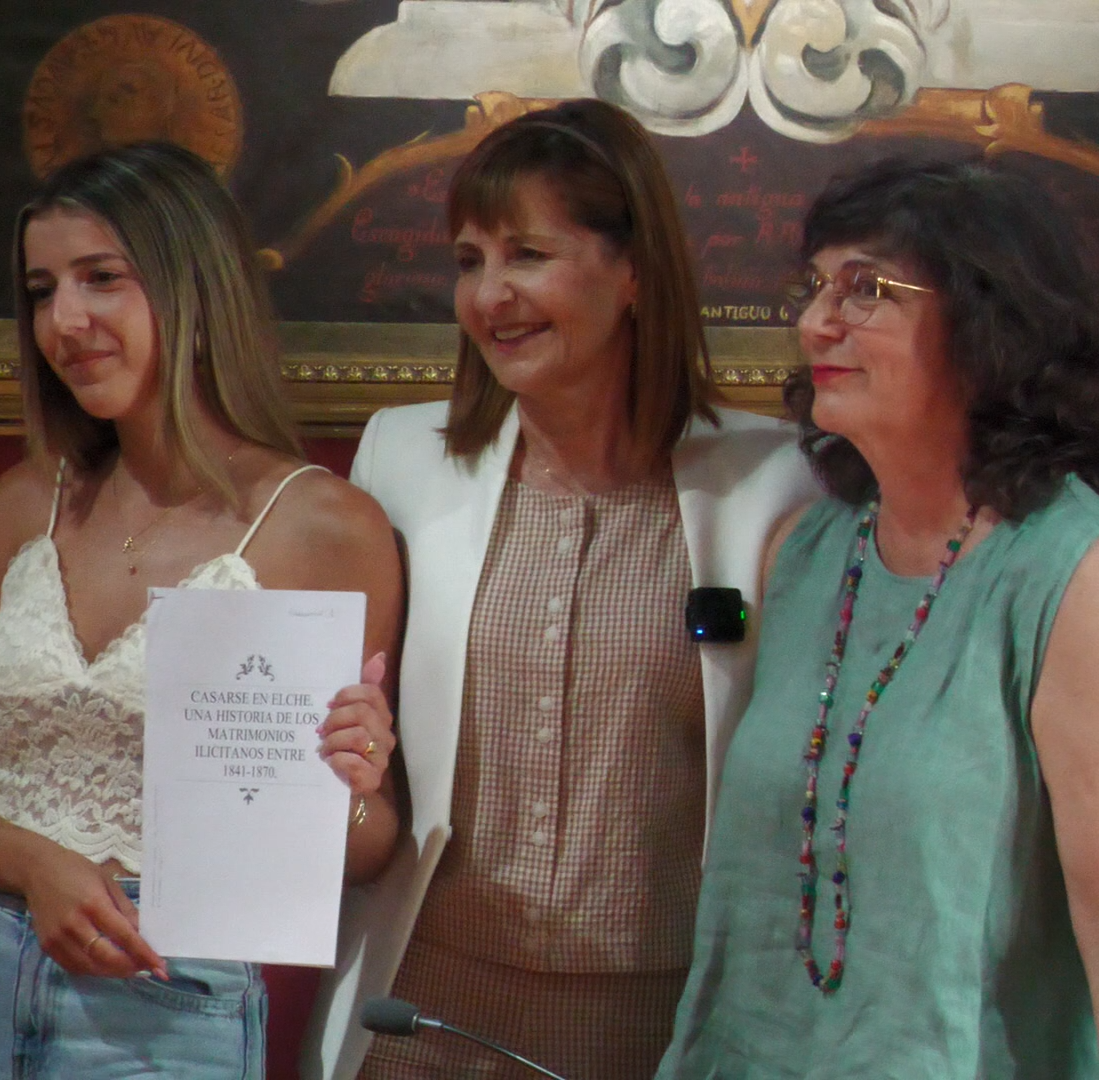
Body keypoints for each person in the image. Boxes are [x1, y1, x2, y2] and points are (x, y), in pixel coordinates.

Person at [657, 158, 1099, 1078]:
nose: (816, 323)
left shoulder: (1072, 575)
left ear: (987, 322)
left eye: (865, 290)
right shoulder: (805, 555)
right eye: (814, 289)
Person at [302, 100, 821, 1080]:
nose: (490, 295)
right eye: (469, 260)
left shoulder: (775, 483)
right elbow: (362, 774)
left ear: (634, 272)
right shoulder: (399, 459)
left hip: (667, 1032)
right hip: (418, 1015)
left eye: (527, 255)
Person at [0, 141, 404, 1080]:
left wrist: (352, 780)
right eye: (42, 290)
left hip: (162, 986)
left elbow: (364, 852)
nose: (64, 321)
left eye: (102, 279)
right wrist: (29, 863)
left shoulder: (322, 527)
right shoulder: (27, 501)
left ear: (194, 287)